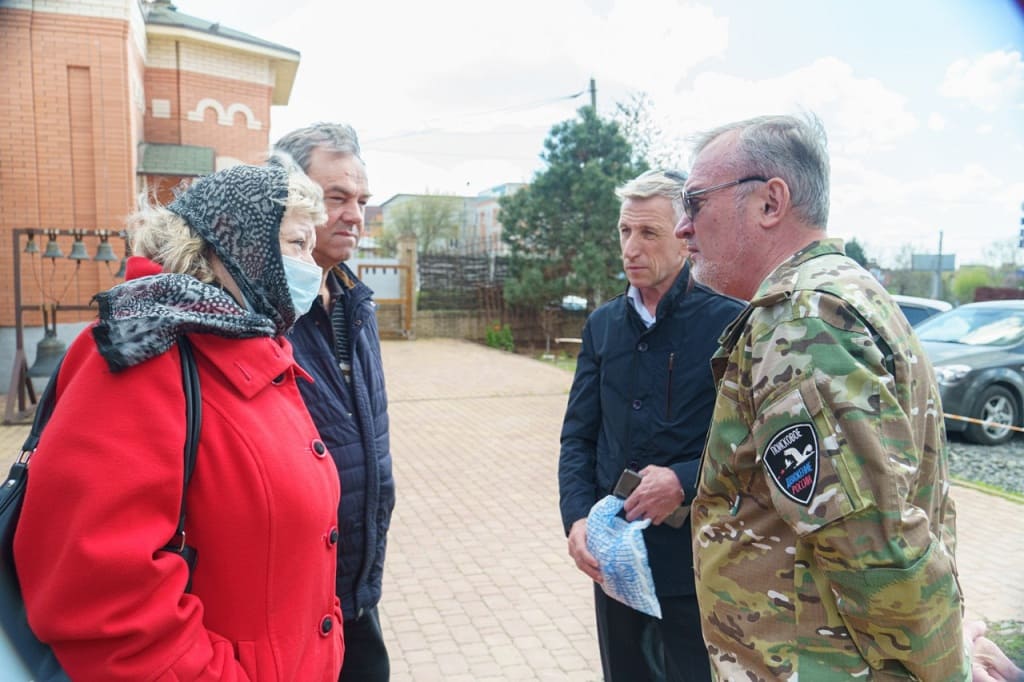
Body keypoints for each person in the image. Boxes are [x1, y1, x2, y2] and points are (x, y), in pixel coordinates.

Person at [674, 113, 976, 679]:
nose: (681, 229)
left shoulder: (801, 320)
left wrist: (949, 666)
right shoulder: (845, 292)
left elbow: (874, 546)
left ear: (770, 202)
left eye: (694, 203)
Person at [14, 163, 344, 679]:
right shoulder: (141, 351)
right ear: (229, 245)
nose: (312, 265)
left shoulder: (252, 342)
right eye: (297, 243)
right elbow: (102, 599)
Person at [558, 169, 745, 681]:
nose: (631, 248)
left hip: (696, 564)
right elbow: (579, 435)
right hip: (615, 561)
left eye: (649, 233)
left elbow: (753, 444)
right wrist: (575, 519)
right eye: (624, 231)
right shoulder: (602, 326)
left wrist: (682, 481)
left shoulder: (731, 324)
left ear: (685, 238)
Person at [274, 123, 394, 682]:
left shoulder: (354, 301)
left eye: (362, 200)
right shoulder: (262, 315)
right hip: (287, 607)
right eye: (337, 198)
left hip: (356, 591)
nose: (355, 215)